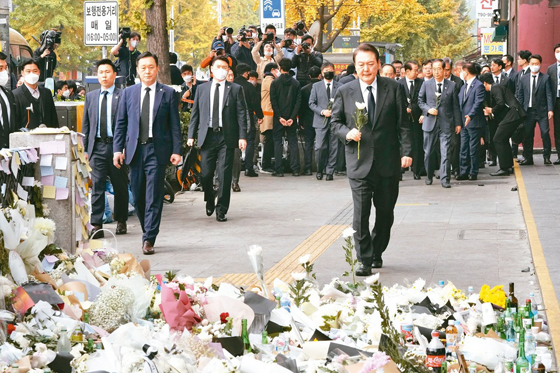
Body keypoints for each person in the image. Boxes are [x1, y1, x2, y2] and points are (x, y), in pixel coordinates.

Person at [331, 43, 412, 275]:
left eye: (370, 63)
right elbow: (335, 122)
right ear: (355, 67)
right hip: (359, 163)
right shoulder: (345, 91)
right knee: (361, 213)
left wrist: (407, 152)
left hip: (388, 162)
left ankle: (377, 251)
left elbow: (403, 125)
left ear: (378, 64)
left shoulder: (394, 88)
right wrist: (347, 133)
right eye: (361, 64)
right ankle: (364, 259)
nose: (366, 68)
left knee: (385, 213)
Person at [113, 52, 182, 255]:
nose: (147, 71)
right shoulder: (128, 93)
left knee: (154, 195)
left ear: (157, 68)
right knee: (138, 196)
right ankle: (148, 230)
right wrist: (118, 149)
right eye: (143, 67)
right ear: (137, 70)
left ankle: (149, 238)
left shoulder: (167, 93)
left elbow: (174, 125)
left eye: (151, 67)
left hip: (157, 150)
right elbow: (121, 124)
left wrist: (177, 150)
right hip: (135, 151)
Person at [187, 56, 247, 222]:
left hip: (226, 137)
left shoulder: (235, 89)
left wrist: (242, 136)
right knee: (205, 174)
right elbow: (195, 114)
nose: (222, 69)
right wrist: (191, 135)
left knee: (224, 174)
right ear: (211, 70)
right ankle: (209, 196)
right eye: (218, 66)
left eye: (225, 67)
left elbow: (242, 114)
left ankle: (221, 209)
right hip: (208, 136)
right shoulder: (202, 89)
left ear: (228, 70)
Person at [82, 59, 129, 238]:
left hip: (116, 147)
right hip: (97, 147)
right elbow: (86, 126)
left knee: (120, 185)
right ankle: (96, 223)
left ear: (114, 75)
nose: (104, 75)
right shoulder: (91, 97)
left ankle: (122, 220)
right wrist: (85, 149)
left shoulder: (122, 95)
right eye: (101, 72)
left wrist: (124, 147)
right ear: (97, 75)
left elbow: (127, 124)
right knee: (98, 186)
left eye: (107, 71)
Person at [418, 59, 461, 188]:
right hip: (430, 123)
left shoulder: (452, 85)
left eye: (439, 69)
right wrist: (427, 110)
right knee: (428, 152)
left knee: (446, 152)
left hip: (446, 124)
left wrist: (457, 123)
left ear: (444, 70)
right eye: (434, 69)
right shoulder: (426, 84)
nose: (436, 72)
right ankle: (429, 175)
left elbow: (455, 106)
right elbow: (420, 101)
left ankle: (445, 179)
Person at [478, 73, 526, 176]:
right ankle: (508, 166)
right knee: (503, 139)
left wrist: (491, 110)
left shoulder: (495, 87)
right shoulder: (498, 87)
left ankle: (504, 168)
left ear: (485, 83)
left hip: (513, 114)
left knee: (498, 139)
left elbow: (500, 103)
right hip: (515, 114)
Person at [516, 54, 554, 165]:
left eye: (537, 64)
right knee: (527, 135)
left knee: (545, 133)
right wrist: (520, 110)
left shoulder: (545, 78)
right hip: (528, 111)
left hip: (542, 111)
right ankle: (528, 158)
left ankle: (547, 157)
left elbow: (549, 95)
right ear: (529, 64)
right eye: (532, 64)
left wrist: (550, 109)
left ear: (540, 64)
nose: (535, 66)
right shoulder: (523, 79)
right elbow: (520, 95)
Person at [270, 58, 301, 177]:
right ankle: (295, 168)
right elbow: (298, 102)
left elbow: (273, 101)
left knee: (277, 142)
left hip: (279, 118)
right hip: (291, 118)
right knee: (293, 142)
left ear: (279, 67)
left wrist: (279, 117)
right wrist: (292, 117)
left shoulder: (275, 82)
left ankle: (278, 169)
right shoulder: (296, 83)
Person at [309, 61, 340, 181]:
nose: (328, 73)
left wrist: (336, 112)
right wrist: (322, 111)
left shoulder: (340, 86)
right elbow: (311, 103)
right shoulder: (316, 86)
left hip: (335, 120)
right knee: (320, 147)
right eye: (326, 71)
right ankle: (320, 169)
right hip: (320, 121)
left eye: (330, 71)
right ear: (322, 73)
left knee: (334, 146)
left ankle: (330, 171)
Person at [456, 63, 487, 181]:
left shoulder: (478, 85)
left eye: (461, 71)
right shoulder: (464, 86)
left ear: (466, 72)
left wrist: (470, 115)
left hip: (474, 122)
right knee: (463, 148)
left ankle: (473, 172)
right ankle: (464, 171)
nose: (461, 73)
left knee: (473, 148)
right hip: (464, 122)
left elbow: (478, 103)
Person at [233, 63, 263, 179]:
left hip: (232, 117)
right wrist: (260, 115)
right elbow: (255, 102)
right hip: (247, 116)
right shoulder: (249, 86)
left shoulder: (232, 85)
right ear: (246, 73)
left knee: (235, 142)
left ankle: (235, 166)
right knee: (250, 140)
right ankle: (248, 167)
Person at [12, 59, 58, 129]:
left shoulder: (46, 93)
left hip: (47, 136)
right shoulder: (15, 95)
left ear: (39, 72)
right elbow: (15, 122)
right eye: (28, 71)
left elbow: (53, 118)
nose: (32, 74)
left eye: (35, 71)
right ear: (22, 73)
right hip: (26, 137)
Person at [400, 61, 425, 179]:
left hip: (417, 118)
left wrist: (414, 109)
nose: (417, 72)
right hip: (402, 119)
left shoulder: (421, 83)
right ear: (407, 71)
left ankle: (417, 170)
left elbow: (424, 100)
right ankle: (400, 169)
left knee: (417, 144)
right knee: (402, 143)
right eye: (415, 70)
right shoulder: (399, 84)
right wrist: (404, 109)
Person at [300, 66, 321, 175]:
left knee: (308, 144)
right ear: (320, 75)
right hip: (321, 120)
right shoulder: (323, 88)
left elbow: (302, 107)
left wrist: (301, 121)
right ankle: (321, 167)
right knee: (321, 144)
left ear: (309, 76)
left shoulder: (304, 89)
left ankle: (307, 168)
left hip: (308, 120)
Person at [260, 62, 278, 172]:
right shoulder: (269, 81)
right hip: (268, 115)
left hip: (269, 115)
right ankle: (266, 165)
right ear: (272, 70)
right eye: (277, 70)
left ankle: (267, 164)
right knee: (269, 141)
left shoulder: (267, 80)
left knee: (269, 141)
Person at [0, 52, 19, 148]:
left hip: (8, 148)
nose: (4, 72)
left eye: (5, 68)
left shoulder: (7, 93)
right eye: (0, 68)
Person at [547, 43, 560, 164]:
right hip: (557, 102)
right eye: (557, 51)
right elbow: (549, 89)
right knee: (558, 129)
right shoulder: (551, 69)